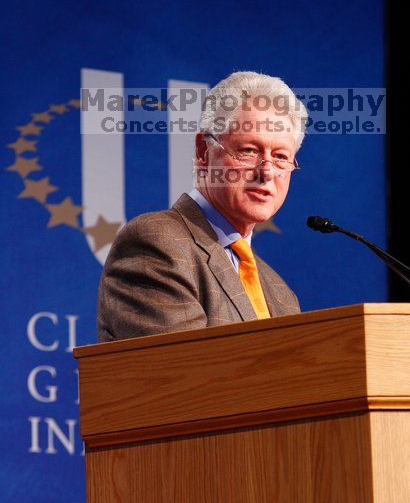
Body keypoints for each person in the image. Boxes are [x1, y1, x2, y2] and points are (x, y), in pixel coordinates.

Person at [97, 71, 308, 341]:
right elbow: (182, 373)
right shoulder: (158, 243)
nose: (266, 172)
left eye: (280, 157)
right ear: (203, 151)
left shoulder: (281, 294)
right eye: (249, 151)